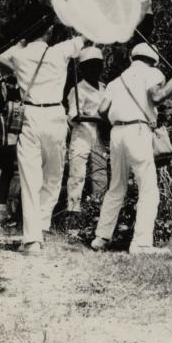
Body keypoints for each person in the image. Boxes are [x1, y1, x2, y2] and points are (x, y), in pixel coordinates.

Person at [0, 22, 83, 254]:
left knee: (30, 177)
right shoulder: (60, 50)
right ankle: (41, 226)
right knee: (53, 176)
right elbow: (87, 39)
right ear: (49, 31)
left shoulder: (19, 54)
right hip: (55, 114)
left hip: (30, 114)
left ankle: (33, 238)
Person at [90, 43, 172, 256]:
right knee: (148, 189)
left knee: (116, 187)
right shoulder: (152, 73)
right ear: (154, 60)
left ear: (133, 58)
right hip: (138, 130)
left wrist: (119, 118)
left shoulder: (117, 81)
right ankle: (141, 244)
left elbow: (102, 109)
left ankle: (101, 238)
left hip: (117, 132)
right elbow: (157, 97)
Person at [65, 46, 109, 222]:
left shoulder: (104, 88)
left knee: (100, 174)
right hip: (81, 135)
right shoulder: (77, 90)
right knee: (77, 174)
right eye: (90, 66)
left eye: (98, 65)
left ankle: (96, 212)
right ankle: (73, 213)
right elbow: (73, 115)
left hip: (99, 136)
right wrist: (98, 117)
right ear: (82, 69)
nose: (94, 70)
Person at [0, 74, 21, 229]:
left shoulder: (6, 81)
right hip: (8, 133)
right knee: (12, 170)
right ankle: (7, 211)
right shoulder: (4, 83)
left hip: (16, 133)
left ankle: (7, 212)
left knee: (11, 171)